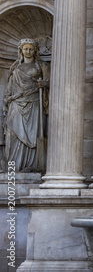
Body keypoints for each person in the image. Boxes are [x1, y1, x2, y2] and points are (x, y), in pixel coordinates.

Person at [3, 38, 49, 172]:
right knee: (13, 135)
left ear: (35, 51)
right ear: (21, 50)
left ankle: (32, 165)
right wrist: (6, 103)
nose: (28, 51)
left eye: (30, 49)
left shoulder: (41, 65)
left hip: (34, 103)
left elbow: (49, 82)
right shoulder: (15, 67)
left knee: (33, 135)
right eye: (25, 48)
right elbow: (9, 88)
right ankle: (12, 170)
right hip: (16, 103)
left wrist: (44, 84)